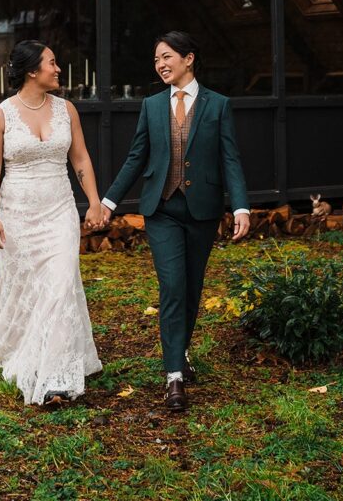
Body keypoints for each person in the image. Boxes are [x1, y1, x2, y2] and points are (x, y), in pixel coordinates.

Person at [100, 31, 250, 412]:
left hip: (202, 211)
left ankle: (180, 351)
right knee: (172, 286)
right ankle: (174, 378)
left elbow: (230, 159)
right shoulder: (151, 106)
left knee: (192, 287)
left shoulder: (218, 105)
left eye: (166, 57)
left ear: (189, 58)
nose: (160, 65)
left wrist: (241, 207)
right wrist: (109, 200)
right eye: (156, 60)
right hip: (162, 210)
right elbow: (137, 156)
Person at [0, 40, 104, 405]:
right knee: (23, 286)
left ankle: (55, 377)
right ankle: (15, 341)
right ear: (32, 71)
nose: (58, 69)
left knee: (60, 283)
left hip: (59, 212)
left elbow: (80, 160)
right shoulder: (0, 116)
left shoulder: (67, 110)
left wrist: (95, 201)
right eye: (52, 63)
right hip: (17, 214)